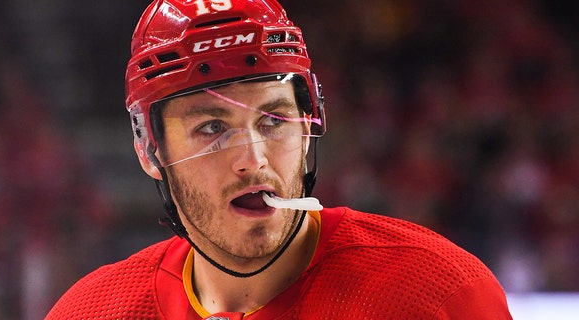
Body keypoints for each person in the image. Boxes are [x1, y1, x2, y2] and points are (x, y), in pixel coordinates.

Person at [46, 0, 513, 319]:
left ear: (309, 126)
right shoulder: (91, 311)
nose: (252, 160)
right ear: (150, 150)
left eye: (273, 120)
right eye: (211, 128)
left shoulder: (438, 297)